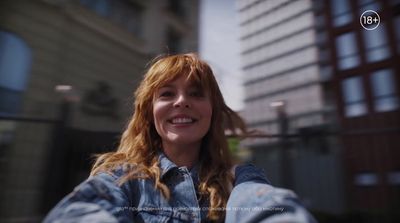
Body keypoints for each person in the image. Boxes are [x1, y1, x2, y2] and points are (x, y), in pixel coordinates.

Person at [44, 53, 316, 223]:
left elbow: (266, 205)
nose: (182, 102)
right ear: (150, 112)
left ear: (213, 111)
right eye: (167, 94)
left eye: (196, 93)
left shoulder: (239, 178)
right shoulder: (121, 179)